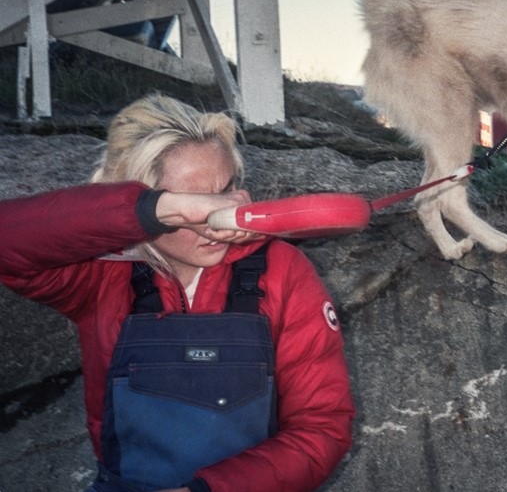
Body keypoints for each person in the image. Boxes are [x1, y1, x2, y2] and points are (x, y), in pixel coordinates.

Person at [0, 95, 354, 491]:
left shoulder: (282, 270)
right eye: (193, 205)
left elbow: (322, 428)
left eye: (225, 191)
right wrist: (160, 211)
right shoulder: (98, 273)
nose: (218, 220)